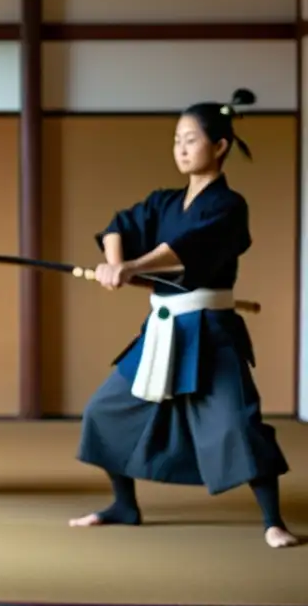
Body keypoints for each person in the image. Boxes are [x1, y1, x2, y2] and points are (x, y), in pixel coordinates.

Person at [69, 87, 298, 549]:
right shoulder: (163, 201)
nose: (181, 148)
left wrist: (131, 267)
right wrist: (114, 262)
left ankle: (274, 521)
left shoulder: (229, 207)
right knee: (104, 411)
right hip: (161, 329)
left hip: (210, 331)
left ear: (220, 147)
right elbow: (120, 225)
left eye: (191, 139)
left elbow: (186, 250)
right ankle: (124, 505)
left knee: (238, 424)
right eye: (176, 139)